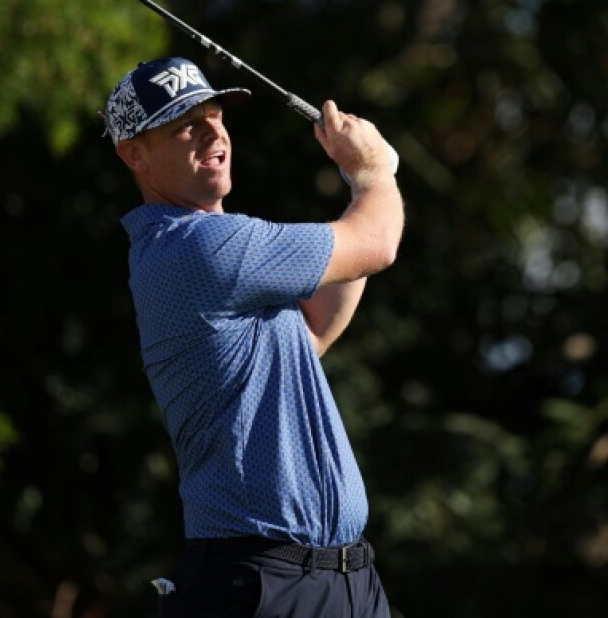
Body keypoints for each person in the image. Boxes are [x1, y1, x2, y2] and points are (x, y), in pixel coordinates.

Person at [101, 56, 405, 617]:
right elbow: (377, 243)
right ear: (135, 154)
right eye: (184, 126)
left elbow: (313, 328)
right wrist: (372, 174)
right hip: (259, 584)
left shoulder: (222, 256)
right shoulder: (195, 249)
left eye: (215, 116)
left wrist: (362, 194)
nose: (213, 132)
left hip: (347, 580)